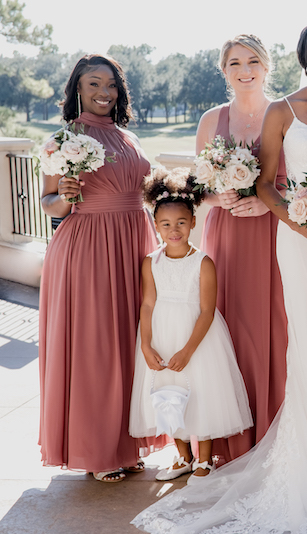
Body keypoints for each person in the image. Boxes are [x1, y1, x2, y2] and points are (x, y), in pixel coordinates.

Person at [133, 23, 307, 533]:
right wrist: (305, 225)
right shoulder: (283, 109)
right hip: (298, 244)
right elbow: (264, 185)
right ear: (304, 55)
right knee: (301, 339)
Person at [39, 54, 162, 482]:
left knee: (131, 343)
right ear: (77, 87)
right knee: (96, 348)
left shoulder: (129, 137)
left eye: (111, 84)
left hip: (134, 243)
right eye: (94, 84)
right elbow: (48, 201)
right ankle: (97, 450)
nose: (104, 92)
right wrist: (67, 196)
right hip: (88, 248)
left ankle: (126, 444)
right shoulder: (63, 137)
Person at [128, 168, 253, 484]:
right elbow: (147, 304)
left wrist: (188, 350)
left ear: (193, 223)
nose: (174, 230)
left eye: (181, 223)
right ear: (156, 226)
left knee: (200, 392)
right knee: (167, 394)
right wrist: (145, 344)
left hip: (197, 340)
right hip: (162, 336)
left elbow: (208, 311)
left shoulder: (203, 263)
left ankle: (204, 457)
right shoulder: (150, 262)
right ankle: (182, 455)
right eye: (166, 224)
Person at [196, 35, 288, 463]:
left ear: (267, 66)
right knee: (228, 327)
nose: (245, 69)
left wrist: (266, 201)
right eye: (235, 62)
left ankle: (279, 433)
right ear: (224, 70)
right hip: (227, 236)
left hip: (276, 234)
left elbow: (303, 180)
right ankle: (229, 440)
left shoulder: (287, 112)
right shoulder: (211, 119)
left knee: (277, 325)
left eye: (253, 60)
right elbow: (199, 186)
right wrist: (222, 198)